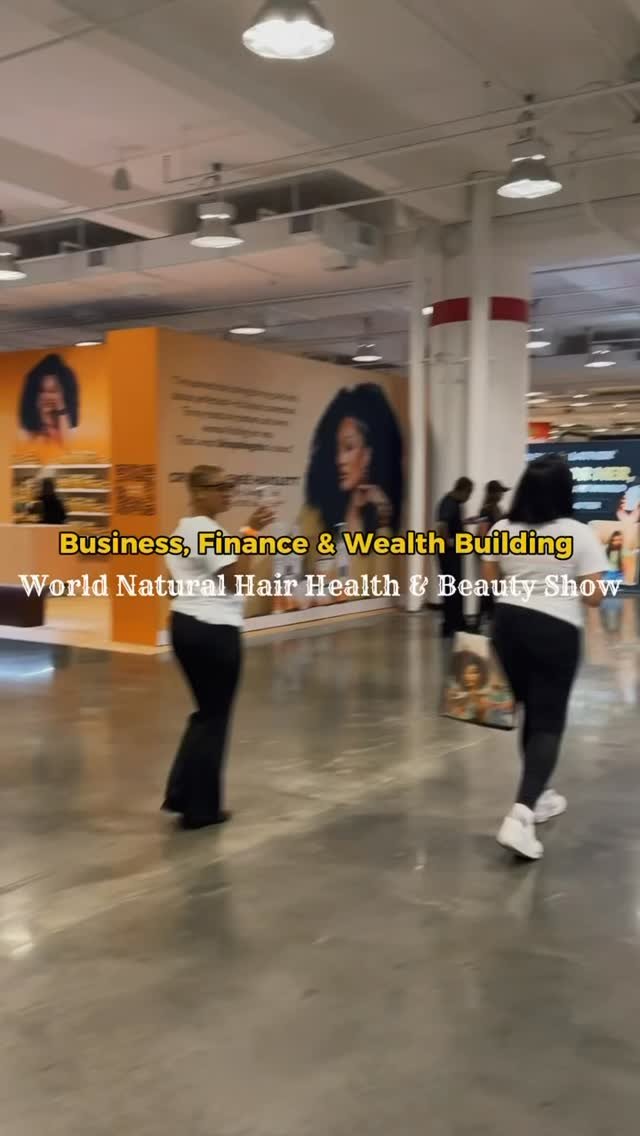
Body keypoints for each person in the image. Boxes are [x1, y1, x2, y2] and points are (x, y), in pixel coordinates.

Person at [482, 454, 607, 861]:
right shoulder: (578, 534)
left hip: (507, 626)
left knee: (529, 716)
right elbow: (593, 596)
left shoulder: (502, 529)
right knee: (548, 721)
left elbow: (489, 581)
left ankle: (540, 794)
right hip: (555, 629)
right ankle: (520, 817)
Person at [163, 465, 274, 830]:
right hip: (213, 631)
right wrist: (251, 533)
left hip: (185, 625)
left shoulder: (183, 530)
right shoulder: (206, 531)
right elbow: (235, 581)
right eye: (221, 487)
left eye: (231, 485)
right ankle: (201, 809)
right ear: (198, 492)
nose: (228, 492)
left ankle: (182, 794)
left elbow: (177, 581)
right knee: (215, 718)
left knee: (205, 714)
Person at [436, 476, 473, 637]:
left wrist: (465, 523)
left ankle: (457, 623)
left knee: (455, 588)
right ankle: (451, 625)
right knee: (451, 588)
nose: (468, 498)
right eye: (469, 493)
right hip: (448, 554)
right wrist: (450, 543)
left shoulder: (453, 503)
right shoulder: (449, 503)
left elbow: (450, 524)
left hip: (452, 553)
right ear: (463, 490)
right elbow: (441, 525)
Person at [19, 354, 79, 447]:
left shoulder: (71, 421)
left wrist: (60, 407)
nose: (47, 396)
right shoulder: (27, 425)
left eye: (53, 391)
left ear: (65, 393)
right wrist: (44, 416)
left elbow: (65, 444)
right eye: (42, 391)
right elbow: (35, 446)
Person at [476, 480, 509, 629]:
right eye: (500, 492)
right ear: (493, 493)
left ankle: (490, 616)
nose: (502, 495)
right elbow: (483, 532)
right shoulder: (486, 510)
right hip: (489, 552)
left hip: (496, 552)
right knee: (487, 586)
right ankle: (481, 619)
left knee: (492, 587)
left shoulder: (497, 509)